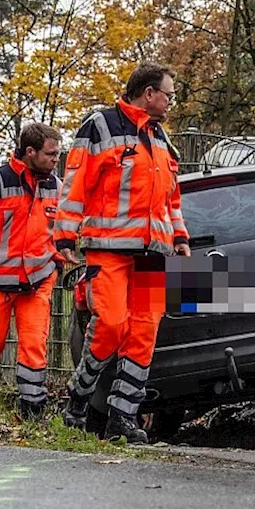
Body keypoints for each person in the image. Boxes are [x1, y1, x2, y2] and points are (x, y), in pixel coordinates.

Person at [53, 63, 191, 443]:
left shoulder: (162, 140)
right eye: (169, 94)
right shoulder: (100, 126)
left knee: (144, 332)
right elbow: (75, 182)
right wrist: (64, 235)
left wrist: (179, 235)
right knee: (111, 326)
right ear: (149, 93)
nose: (171, 102)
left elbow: (171, 198)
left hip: (153, 252)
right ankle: (78, 400)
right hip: (109, 250)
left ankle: (122, 417)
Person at [0, 122, 64, 420]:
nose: (56, 159)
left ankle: (33, 411)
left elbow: (64, 228)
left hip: (37, 281)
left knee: (34, 345)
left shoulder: (55, 187)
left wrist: (55, 262)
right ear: (30, 151)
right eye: (50, 154)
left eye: (57, 154)